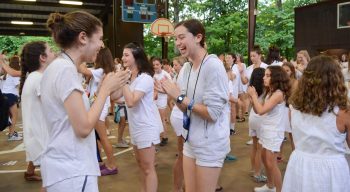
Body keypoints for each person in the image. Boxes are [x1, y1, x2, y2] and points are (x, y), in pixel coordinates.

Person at [41, 11, 129, 191]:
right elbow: (83, 128)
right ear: (83, 38)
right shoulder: (65, 70)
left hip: (65, 167)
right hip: (73, 169)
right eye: (100, 39)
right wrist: (105, 89)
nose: (101, 45)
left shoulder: (60, 67)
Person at [161, 19, 230, 192]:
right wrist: (173, 96)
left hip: (210, 143)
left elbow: (212, 113)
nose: (177, 43)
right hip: (190, 140)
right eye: (176, 39)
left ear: (198, 37)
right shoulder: (186, 68)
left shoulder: (213, 66)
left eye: (181, 37)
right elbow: (185, 107)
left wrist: (179, 97)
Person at [282, 56, 350, 192]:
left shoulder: (293, 108)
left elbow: (295, 141)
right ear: (336, 80)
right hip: (331, 170)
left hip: (299, 164)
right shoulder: (343, 112)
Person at [122, 42, 162, 192]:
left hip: (146, 127)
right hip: (135, 127)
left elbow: (131, 101)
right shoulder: (131, 77)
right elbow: (119, 97)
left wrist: (123, 81)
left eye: (126, 55)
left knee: (148, 168)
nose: (123, 58)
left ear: (136, 57)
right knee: (141, 166)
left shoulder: (145, 78)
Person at [248, 65, 291, 192]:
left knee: (271, 163)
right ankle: (270, 186)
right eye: (264, 75)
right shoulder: (270, 92)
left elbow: (261, 111)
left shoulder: (278, 94)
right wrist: (253, 98)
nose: (264, 78)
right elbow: (258, 110)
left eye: (267, 75)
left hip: (274, 132)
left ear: (276, 78)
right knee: (264, 159)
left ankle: (279, 189)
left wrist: (254, 97)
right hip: (266, 130)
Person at [19, 41, 56, 183]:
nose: (54, 52)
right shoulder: (40, 79)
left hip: (36, 132)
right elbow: (52, 106)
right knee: (51, 179)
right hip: (41, 134)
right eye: (51, 50)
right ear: (43, 57)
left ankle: (29, 172)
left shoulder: (33, 77)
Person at [78, 47, 118, 176]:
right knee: (99, 138)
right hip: (98, 107)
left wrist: (81, 57)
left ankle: (112, 165)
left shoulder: (100, 71)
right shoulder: (102, 71)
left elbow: (82, 69)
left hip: (99, 109)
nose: (94, 55)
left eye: (96, 54)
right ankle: (104, 163)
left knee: (103, 138)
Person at [169, 56, 187, 192]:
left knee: (184, 155)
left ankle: (180, 187)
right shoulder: (182, 75)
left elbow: (173, 98)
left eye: (176, 65)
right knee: (183, 155)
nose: (174, 67)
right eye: (174, 65)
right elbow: (179, 98)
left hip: (179, 115)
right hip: (181, 116)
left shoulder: (179, 76)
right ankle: (178, 188)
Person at [248, 68, 267, 183]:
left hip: (252, 117)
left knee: (254, 146)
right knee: (260, 148)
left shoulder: (251, 88)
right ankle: (257, 173)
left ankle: (253, 170)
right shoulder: (266, 88)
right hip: (261, 117)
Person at [1, 56, 22, 141]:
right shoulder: (14, 74)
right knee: (14, 116)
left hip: (4, 96)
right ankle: (12, 134)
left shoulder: (6, 74)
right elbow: (18, 86)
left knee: (10, 116)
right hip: (11, 96)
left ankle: (11, 132)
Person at [152, 57, 171, 146]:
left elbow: (170, 90)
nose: (155, 66)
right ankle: (157, 136)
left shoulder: (166, 75)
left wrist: (157, 88)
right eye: (154, 65)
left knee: (161, 119)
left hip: (162, 99)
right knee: (155, 119)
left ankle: (165, 137)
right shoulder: (152, 75)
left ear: (161, 65)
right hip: (153, 99)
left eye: (157, 64)